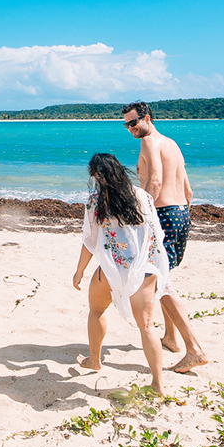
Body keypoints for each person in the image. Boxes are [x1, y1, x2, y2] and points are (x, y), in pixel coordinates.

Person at [72, 152, 170, 395]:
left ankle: (94, 359)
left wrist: (80, 270)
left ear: (96, 175)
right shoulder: (143, 196)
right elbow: (156, 233)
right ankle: (157, 384)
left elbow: (90, 241)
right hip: (144, 269)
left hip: (111, 268)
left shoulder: (95, 200)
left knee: (96, 310)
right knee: (147, 326)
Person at [124, 100, 208, 372]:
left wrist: (141, 214)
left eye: (134, 122)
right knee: (162, 276)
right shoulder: (171, 143)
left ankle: (194, 348)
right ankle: (171, 338)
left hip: (162, 213)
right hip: (180, 212)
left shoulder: (149, 143)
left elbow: (156, 181)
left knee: (157, 279)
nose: (130, 128)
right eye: (126, 124)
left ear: (147, 118)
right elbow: (188, 189)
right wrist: (181, 214)